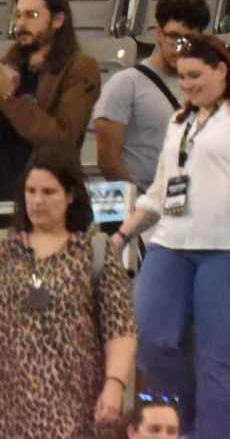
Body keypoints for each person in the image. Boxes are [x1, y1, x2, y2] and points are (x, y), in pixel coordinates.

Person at [112, 35, 230, 439]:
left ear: (222, 71)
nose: (188, 85)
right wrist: (123, 234)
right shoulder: (181, 121)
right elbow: (161, 190)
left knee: (216, 358)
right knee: (151, 338)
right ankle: (181, 427)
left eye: (196, 75)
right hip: (172, 242)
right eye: (182, 77)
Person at [0, 150, 136, 439]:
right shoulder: (4, 253)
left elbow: (120, 327)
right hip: (11, 407)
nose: (37, 201)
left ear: (70, 195)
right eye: (31, 191)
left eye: (48, 192)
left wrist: (115, 384)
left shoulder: (95, 252)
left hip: (79, 407)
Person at [93, 0, 209, 191]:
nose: (180, 47)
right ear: (158, 34)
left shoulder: (206, 87)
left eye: (189, 39)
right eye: (173, 37)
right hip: (141, 201)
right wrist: (142, 204)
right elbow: (109, 162)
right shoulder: (125, 83)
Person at [0, 0, 98, 202]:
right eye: (17, 16)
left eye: (31, 15)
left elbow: (63, 139)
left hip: (49, 197)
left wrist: (9, 99)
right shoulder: (8, 66)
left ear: (57, 20)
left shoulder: (80, 67)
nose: (21, 24)